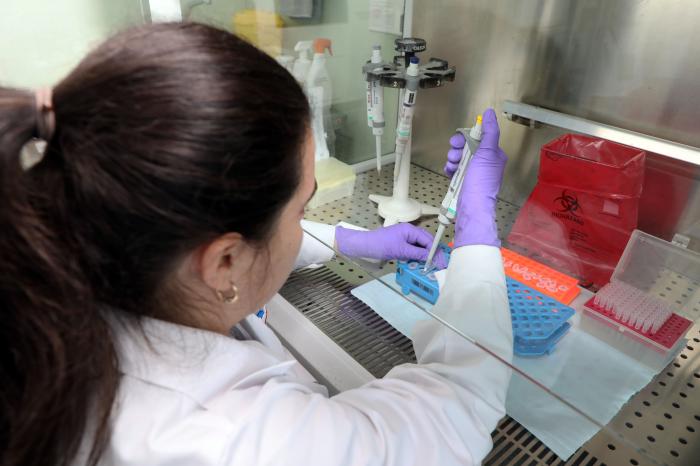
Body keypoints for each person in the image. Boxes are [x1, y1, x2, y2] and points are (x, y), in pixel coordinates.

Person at [0, 23, 511, 466]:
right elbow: (459, 400)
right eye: (302, 210)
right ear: (224, 261)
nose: (303, 223)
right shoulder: (240, 441)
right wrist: (475, 231)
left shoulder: (69, 265)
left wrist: (346, 239)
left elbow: (214, 242)